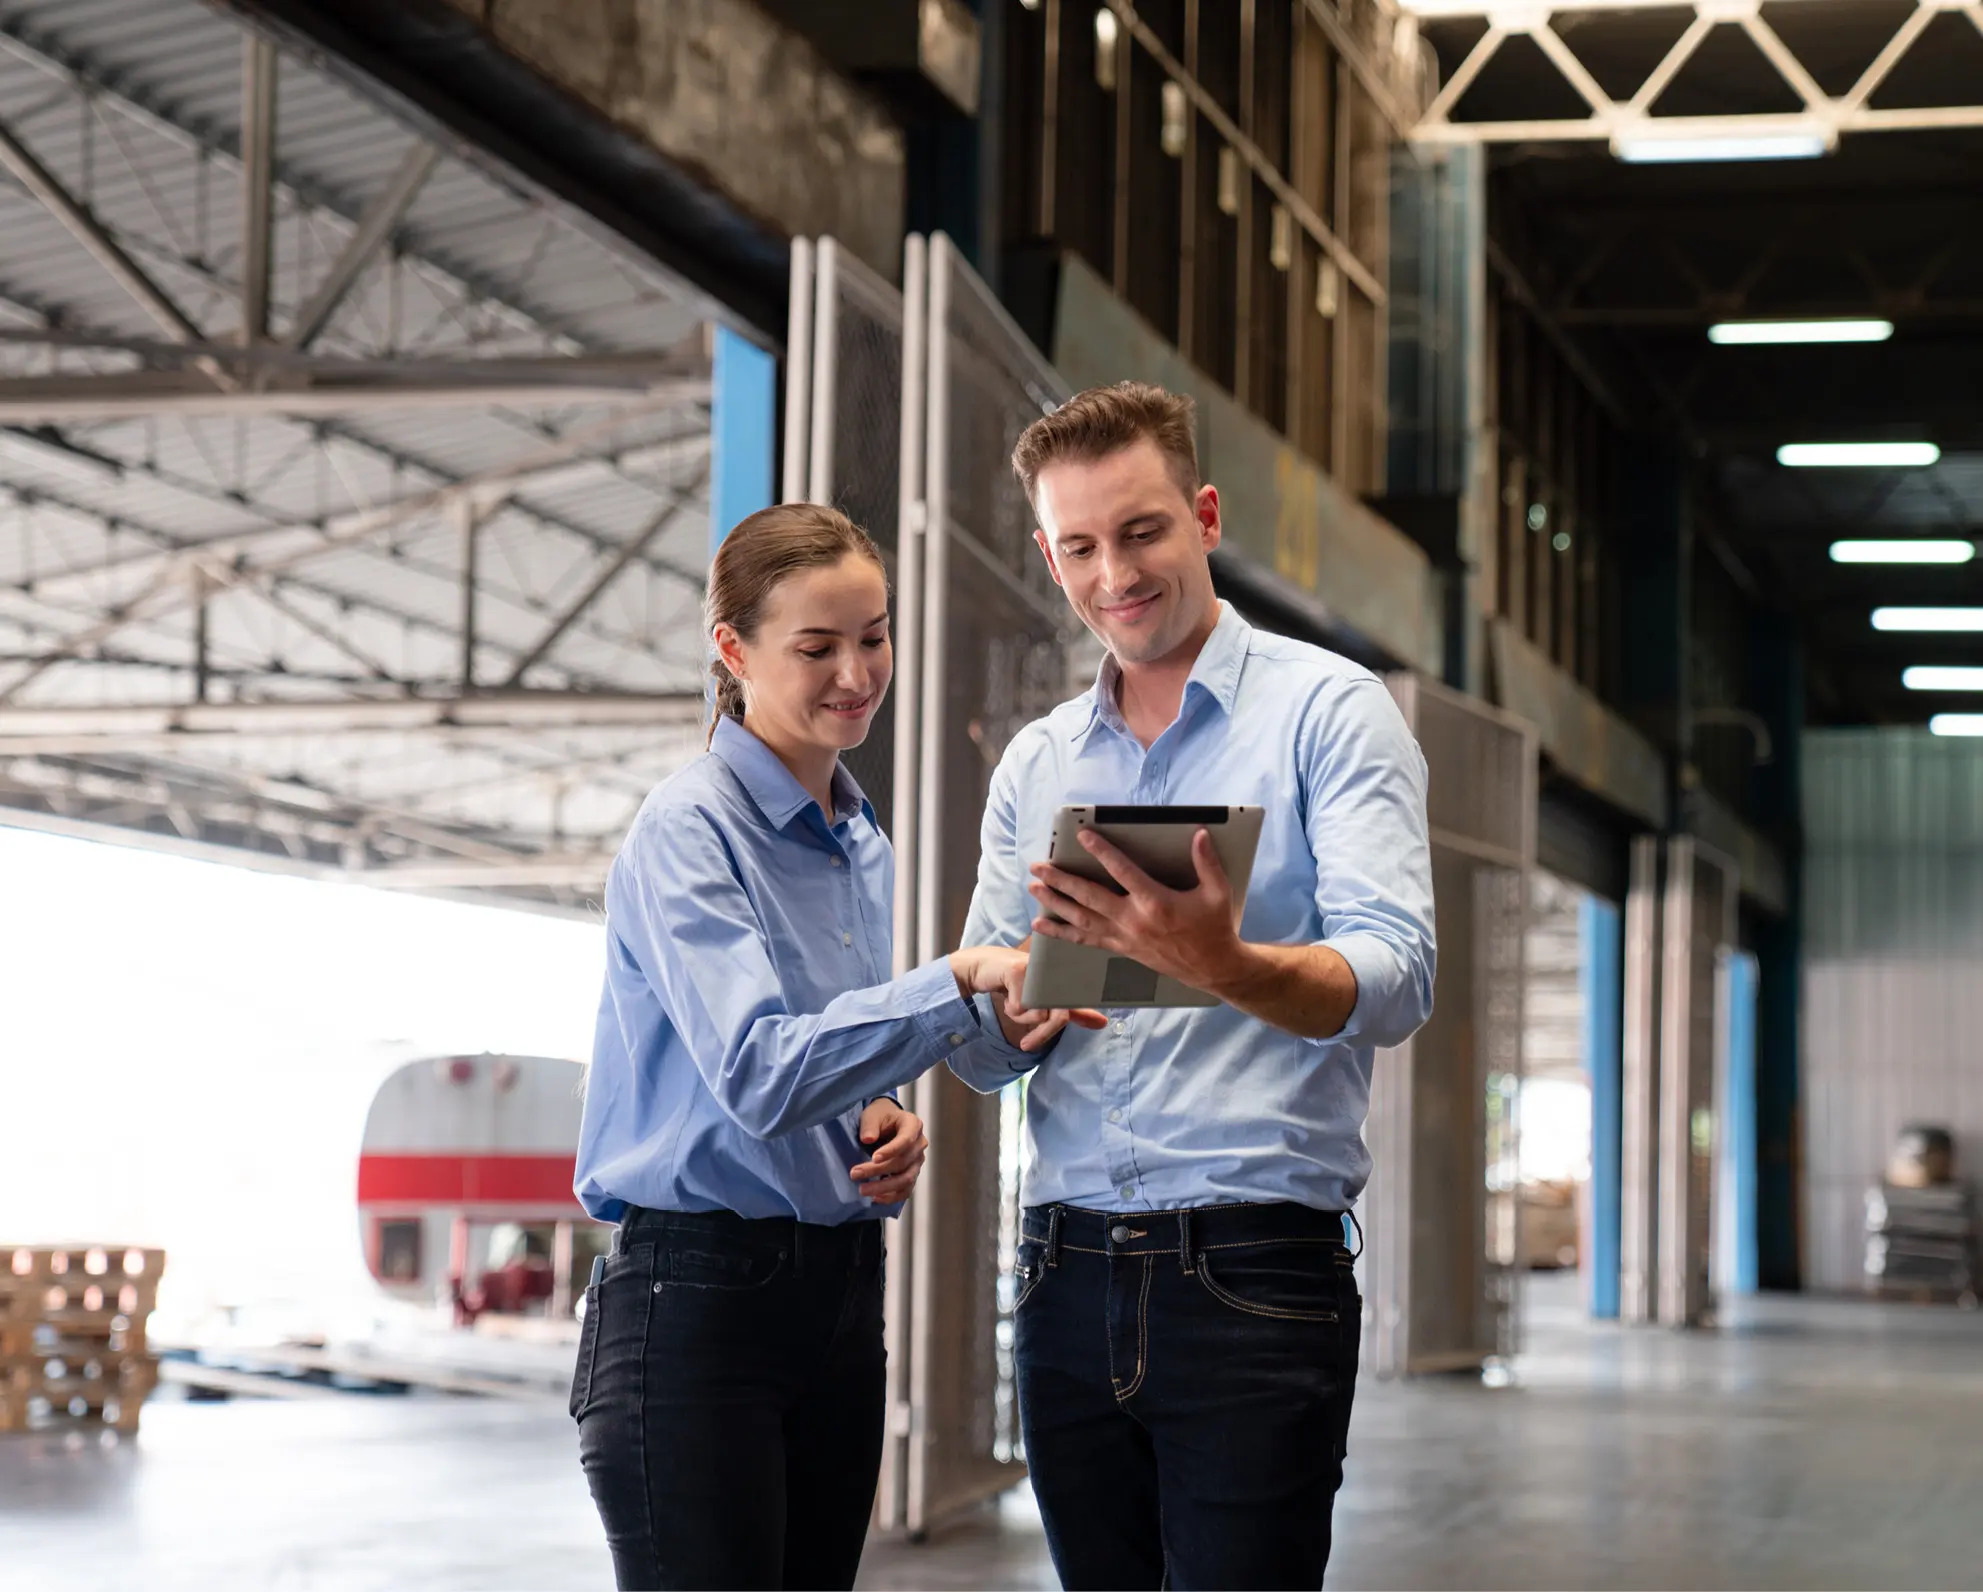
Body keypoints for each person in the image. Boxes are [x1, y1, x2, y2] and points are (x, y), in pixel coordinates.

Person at [949, 382, 1437, 1589]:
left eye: (1142, 529)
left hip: (1253, 1272)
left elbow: (1398, 973)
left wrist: (1227, 964)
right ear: (1049, 555)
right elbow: (977, 1051)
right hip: (1062, 1270)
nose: (1114, 571)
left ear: (1205, 515)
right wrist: (1015, 1006)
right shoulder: (1039, 760)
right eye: (1079, 546)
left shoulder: (1330, 713)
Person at [570, 502, 1096, 1592]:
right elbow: (762, 1069)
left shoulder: (861, 842)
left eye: (874, 634)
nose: (857, 672)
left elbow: (828, 1060)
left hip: (841, 1299)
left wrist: (881, 1117)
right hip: (696, 1309)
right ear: (733, 649)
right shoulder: (688, 829)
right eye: (817, 647)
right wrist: (955, 981)